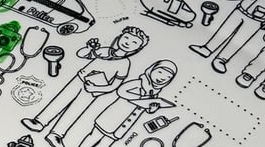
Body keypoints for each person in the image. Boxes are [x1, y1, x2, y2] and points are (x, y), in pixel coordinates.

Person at [20, 27, 149, 147]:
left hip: (93, 90)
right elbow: (82, 54)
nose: (128, 42)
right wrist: (89, 48)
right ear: (120, 37)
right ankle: (39, 122)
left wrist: (96, 89)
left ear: (137, 49)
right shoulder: (104, 50)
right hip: (79, 79)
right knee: (60, 100)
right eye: (126, 38)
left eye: (134, 42)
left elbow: (114, 86)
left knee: (75, 111)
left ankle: (56, 134)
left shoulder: (124, 64)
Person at [77, 60, 178, 147]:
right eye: (160, 72)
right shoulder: (139, 83)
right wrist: (141, 99)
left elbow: (147, 108)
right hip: (111, 118)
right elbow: (121, 91)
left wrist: (152, 108)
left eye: (168, 77)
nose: (162, 78)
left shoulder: (154, 92)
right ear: (151, 70)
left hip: (125, 125)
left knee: (106, 144)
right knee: (93, 137)